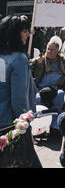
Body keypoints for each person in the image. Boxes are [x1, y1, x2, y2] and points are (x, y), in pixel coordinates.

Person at [0, 15, 42, 168]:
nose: (28, 35)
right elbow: (19, 100)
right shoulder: (19, 59)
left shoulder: (3, 57)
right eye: (24, 31)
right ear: (14, 33)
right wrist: (26, 129)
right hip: (13, 127)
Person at [30, 41, 65, 130]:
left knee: (60, 96)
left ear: (57, 51)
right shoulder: (41, 60)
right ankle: (40, 128)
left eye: (52, 50)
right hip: (41, 89)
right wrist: (36, 61)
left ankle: (54, 126)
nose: (49, 51)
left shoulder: (63, 60)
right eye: (48, 49)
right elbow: (29, 65)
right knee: (38, 99)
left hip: (57, 88)